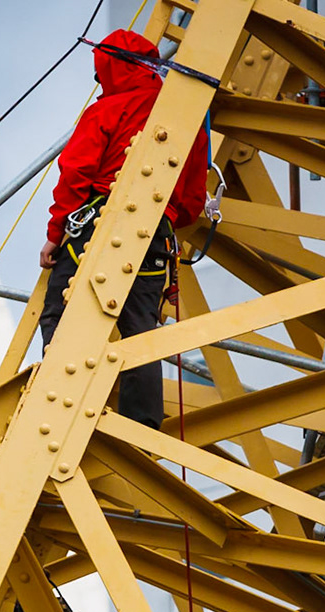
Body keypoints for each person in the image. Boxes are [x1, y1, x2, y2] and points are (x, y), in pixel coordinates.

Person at [37, 26, 211, 429]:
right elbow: (191, 202)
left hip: (97, 227)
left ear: (111, 69)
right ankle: (141, 427)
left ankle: (58, 409)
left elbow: (75, 174)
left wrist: (55, 233)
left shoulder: (107, 110)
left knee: (60, 314)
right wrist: (164, 215)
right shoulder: (184, 121)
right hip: (156, 237)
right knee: (140, 330)